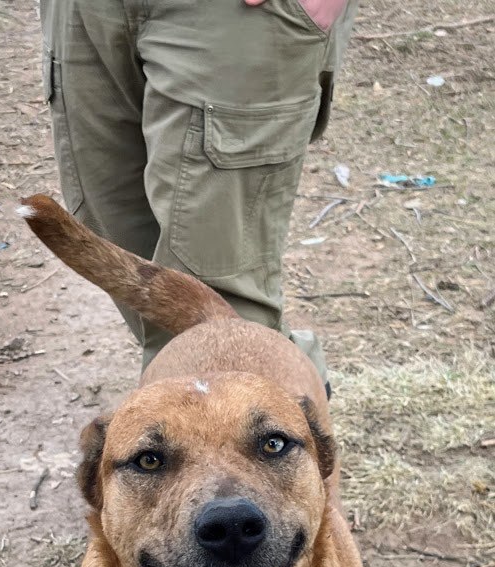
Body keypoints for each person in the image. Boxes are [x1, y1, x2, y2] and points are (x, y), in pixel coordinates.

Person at [39, 0, 358, 388]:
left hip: (232, 15)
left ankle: (272, 412)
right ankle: (293, 386)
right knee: (120, 257)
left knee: (215, 311)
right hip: (83, 11)